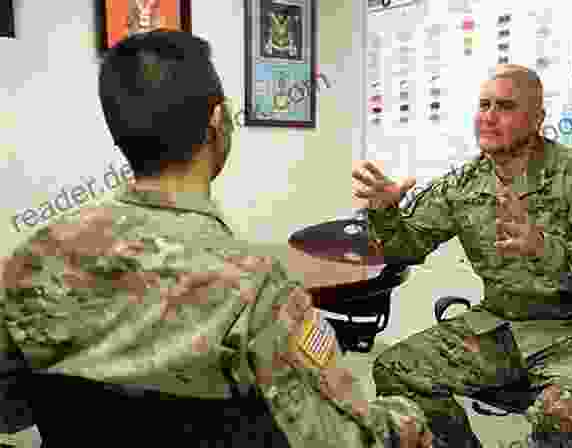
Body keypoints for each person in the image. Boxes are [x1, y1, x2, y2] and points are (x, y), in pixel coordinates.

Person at [0, 30, 433, 448]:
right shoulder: (258, 289)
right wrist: (407, 417)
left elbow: (10, 407)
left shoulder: (30, 259)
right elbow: (341, 439)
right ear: (218, 121)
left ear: (119, 131)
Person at [353, 64, 572, 448]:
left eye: (504, 106)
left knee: (564, 416)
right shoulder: (463, 184)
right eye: (483, 104)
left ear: (537, 118)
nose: (488, 117)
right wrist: (386, 213)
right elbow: (407, 246)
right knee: (397, 368)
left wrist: (545, 247)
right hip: (500, 327)